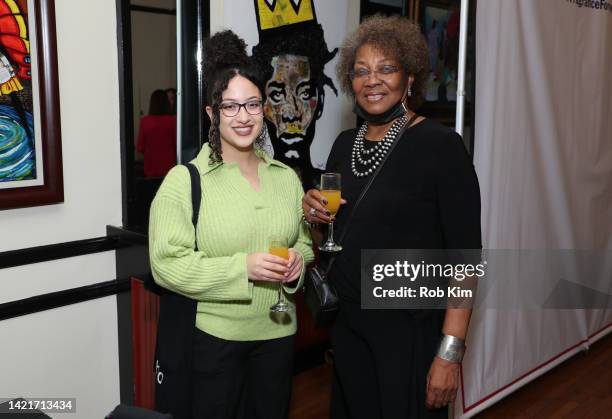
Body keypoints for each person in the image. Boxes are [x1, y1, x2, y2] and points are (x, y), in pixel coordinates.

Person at [302, 15, 481, 419]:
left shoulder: (440, 146)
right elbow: (334, 237)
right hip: (348, 327)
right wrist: (313, 216)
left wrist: (449, 354)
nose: (373, 80)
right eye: (361, 71)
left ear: (410, 78)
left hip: (408, 332)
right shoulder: (344, 145)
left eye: (386, 69)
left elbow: (466, 259)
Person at [148, 30, 314, 419]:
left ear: (264, 110)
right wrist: (244, 268)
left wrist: (297, 264)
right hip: (214, 343)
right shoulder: (184, 180)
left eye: (253, 104)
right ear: (212, 113)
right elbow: (166, 264)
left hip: (279, 336)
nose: (243, 116)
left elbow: (305, 243)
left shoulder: (286, 178)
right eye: (231, 107)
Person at [252, 22, 338, 190]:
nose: (291, 113)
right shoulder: (250, 187)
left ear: (320, 102)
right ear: (262, 106)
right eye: (277, 95)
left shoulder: (329, 189)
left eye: (304, 94)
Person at [136, 89, 177, 177]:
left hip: (150, 169)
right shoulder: (173, 121)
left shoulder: (145, 121)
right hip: (170, 169)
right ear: (166, 103)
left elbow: (140, 147)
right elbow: (177, 145)